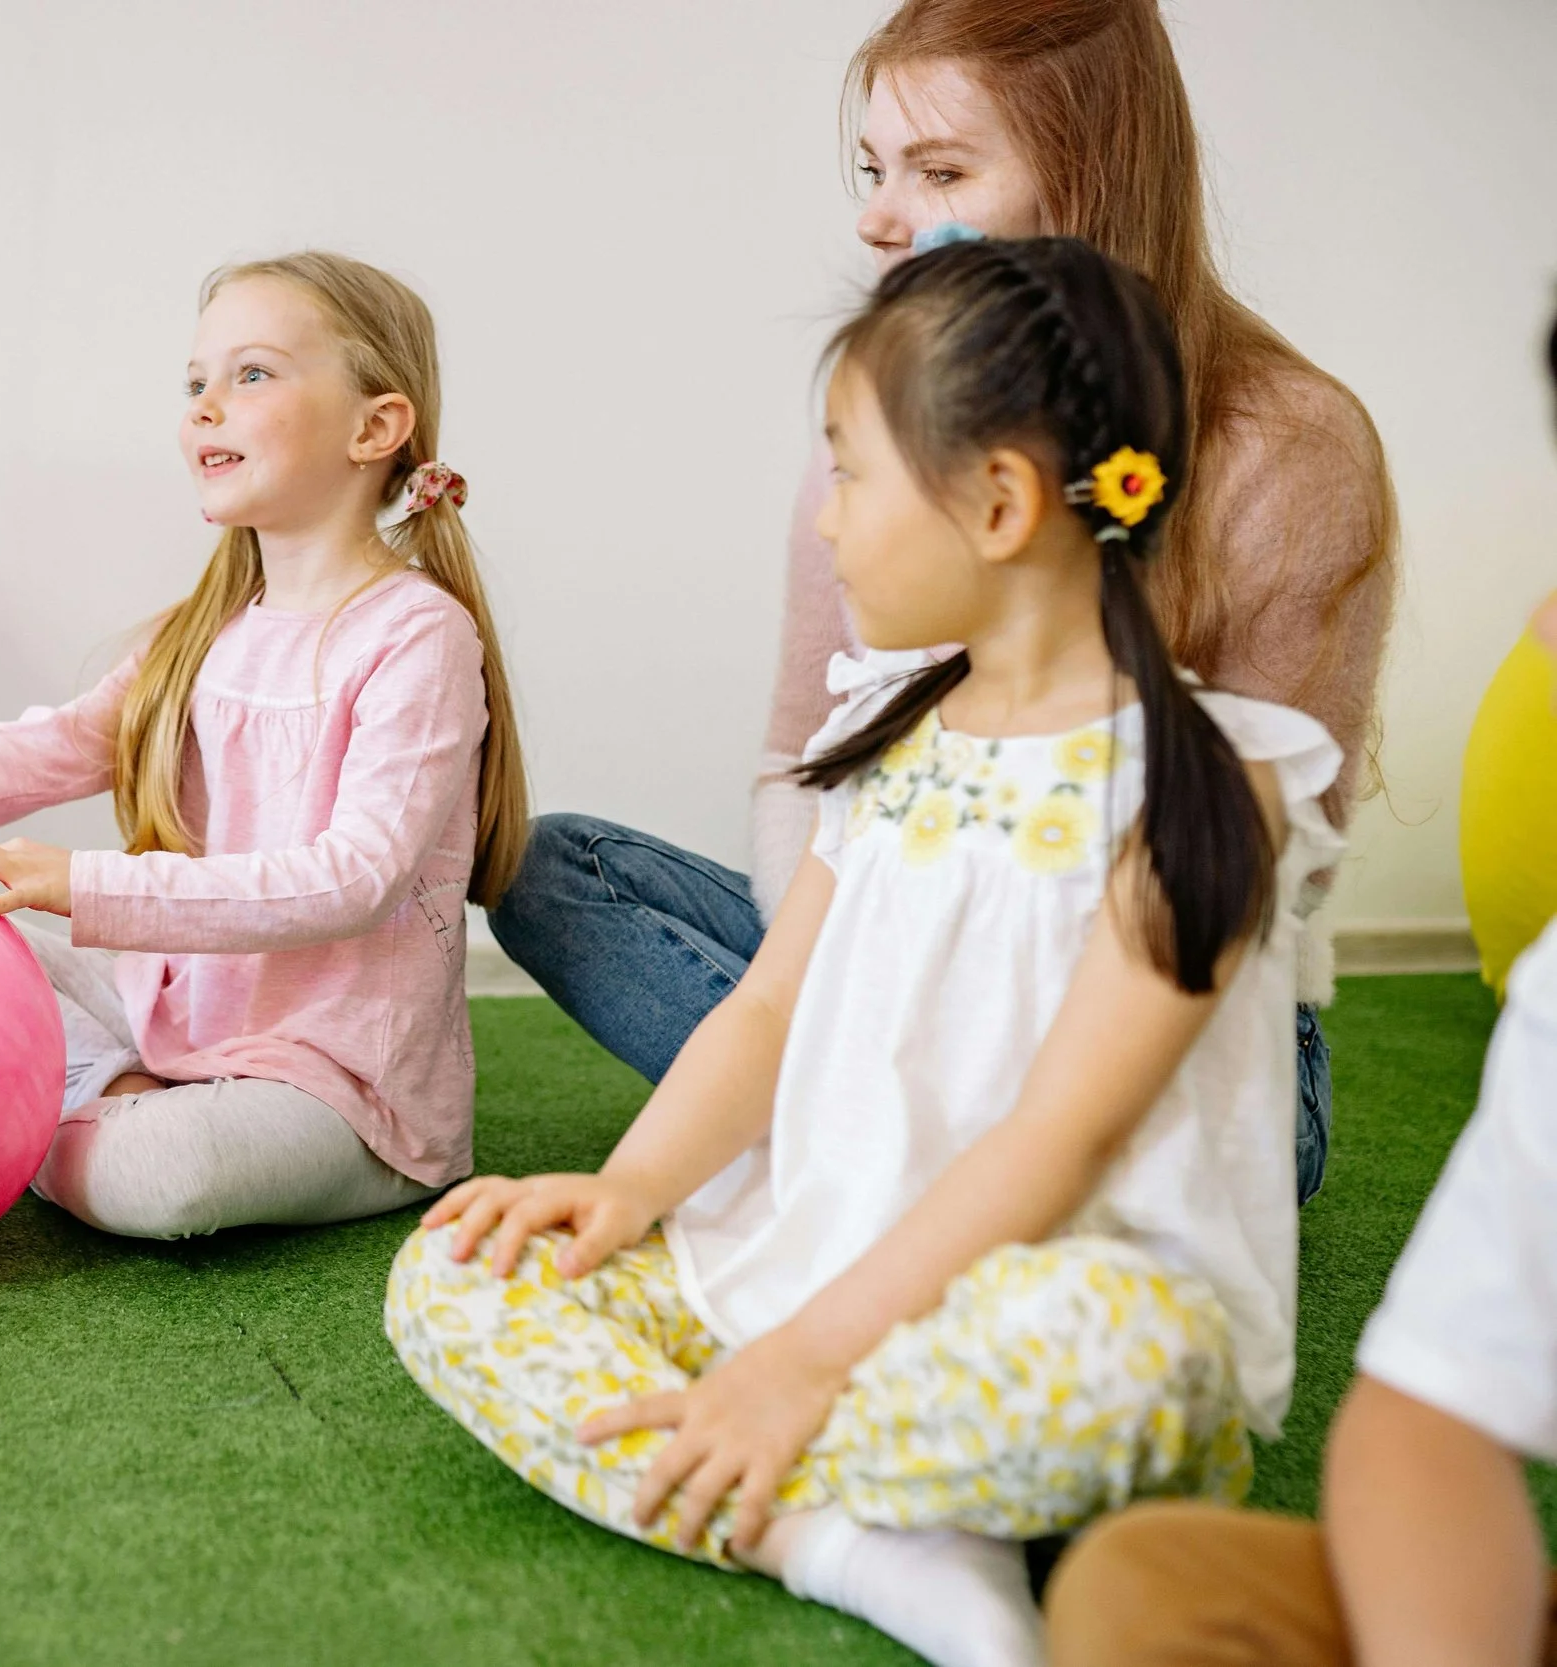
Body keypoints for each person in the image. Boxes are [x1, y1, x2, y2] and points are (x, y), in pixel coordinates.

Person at [389, 236, 1339, 1667]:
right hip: (796, 1262)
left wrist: (802, 1365)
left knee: (1131, 1363)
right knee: (450, 1280)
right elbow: (768, 1007)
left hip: (1038, 1296)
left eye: (847, 470)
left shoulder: (1205, 782)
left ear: (1001, 500)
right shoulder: (891, 736)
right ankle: (845, 1537)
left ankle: (799, 1460)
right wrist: (630, 1187)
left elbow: (1065, 1134)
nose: (825, 522)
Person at [489, 0, 1395, 1205]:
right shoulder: (876, 440)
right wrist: (866, 958)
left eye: (939, 169)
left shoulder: (1292, 448)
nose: (874, 214)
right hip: (899, 946)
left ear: (1087, 176)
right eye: (874, 168)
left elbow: (1267, 883)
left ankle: (883, 1149)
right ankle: (899, 1141)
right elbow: (798, 767)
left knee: (1200, 1141)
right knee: (553, 869)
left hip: (1159, 1008)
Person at [0, 251, 524, 1241]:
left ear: (375, 427)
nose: (205, 405)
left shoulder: (415, 635)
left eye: (250, 374)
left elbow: (357, 877)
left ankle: (59, 1109)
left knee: (156, 1175)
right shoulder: (208, 625)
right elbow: (48, 748)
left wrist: (84, 883)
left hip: (332, 1083)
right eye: (195, 382)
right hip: (173, 1019)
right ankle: (101, 1086)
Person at [1040, 317, 1557, 1667]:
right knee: (1144, 1584)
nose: (1545, 624)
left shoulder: (1233, 745)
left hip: (1161, 1071)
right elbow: (1423, 1413)